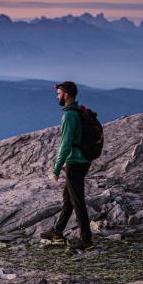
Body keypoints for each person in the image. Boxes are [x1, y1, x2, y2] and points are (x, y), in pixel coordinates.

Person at [40, 81, 93, 249]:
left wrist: (56, 170)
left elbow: (65, 144)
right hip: (82, 161)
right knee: (69, 199)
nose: (57, 95)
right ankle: (57, 231)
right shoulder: (77, 112)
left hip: (75, 163)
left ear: (67, 95)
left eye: (59, 93)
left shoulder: (69, 116)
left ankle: (87, 240)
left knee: (77, 201)